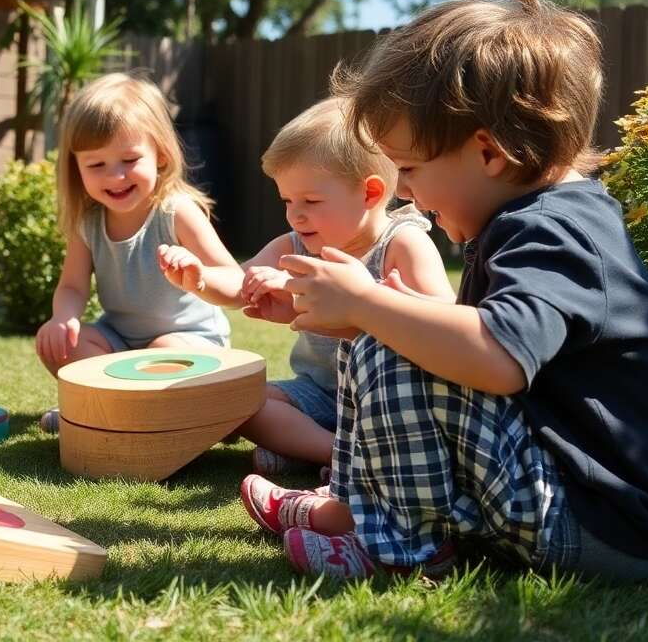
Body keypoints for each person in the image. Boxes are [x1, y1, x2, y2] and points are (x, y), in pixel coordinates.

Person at [241, 0, 648, 583]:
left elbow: (498, 361)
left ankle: (398, 545)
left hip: (593, 523)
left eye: (410, 169)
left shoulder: (553, 230)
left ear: (487, 152)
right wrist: (354, 314)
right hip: (562, 495)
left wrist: (372, 307)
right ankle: (355, 511)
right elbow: (468, 349)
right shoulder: (536, 219)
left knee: (390, 336)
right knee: (386, 336)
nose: (406, 192)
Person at [159, 97, 453, 474]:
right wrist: (200, 277)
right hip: (318, 392)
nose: (295, 214)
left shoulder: (403, 243)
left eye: (311, 200)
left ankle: (319, 450)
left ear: (371, 193)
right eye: (287, 200)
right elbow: (239, 283)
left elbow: (440, 319)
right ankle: (335, 453)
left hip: (386, 400)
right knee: (244, 402)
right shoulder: (296, 243)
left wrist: (295, 287)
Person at [35, 74, 234, 429]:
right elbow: (72, 287)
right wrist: (63, 318)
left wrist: (198, 276)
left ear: (159, 154)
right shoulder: (89, 222)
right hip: (121, 341)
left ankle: (108, 408)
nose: (115, 176)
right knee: (59, 344)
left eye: (129, 160)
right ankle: (119, 407)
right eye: (96, 165)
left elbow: (235, 277)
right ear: (76, 168)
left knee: (164, 353)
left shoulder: (176, 212)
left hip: (189, 341)